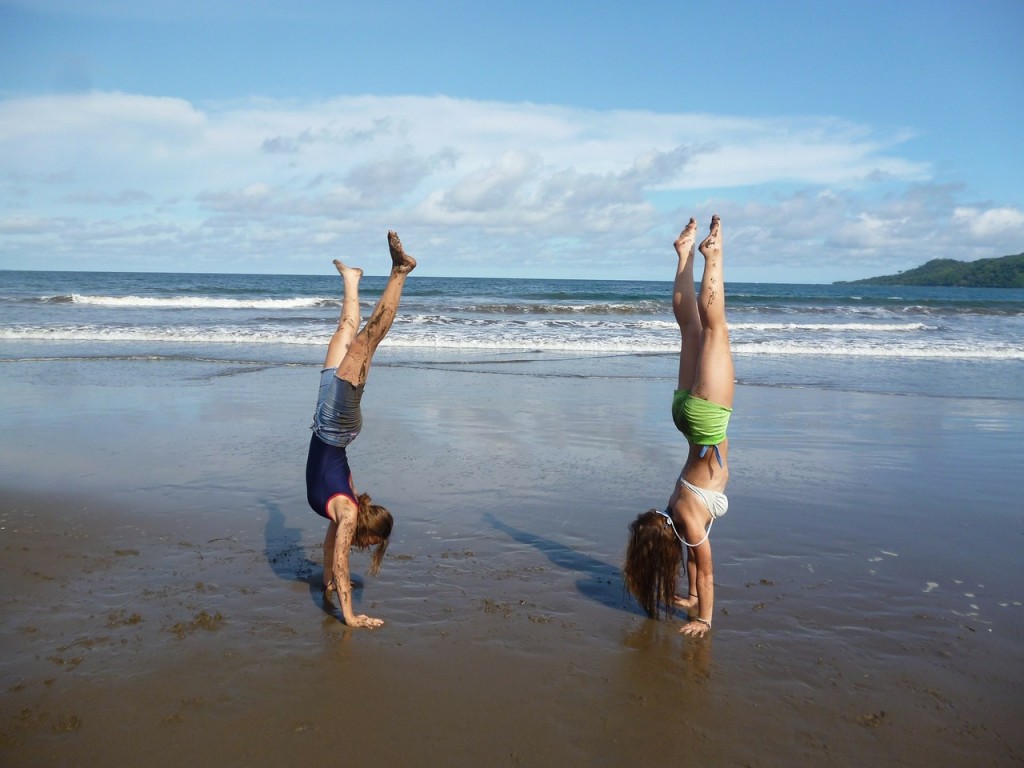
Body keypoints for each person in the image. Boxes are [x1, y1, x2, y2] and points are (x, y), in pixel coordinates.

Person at [624, 215, 734, 638]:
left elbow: (705, 573)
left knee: (714, 330)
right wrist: (689, 599)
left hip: (706, 422)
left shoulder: (687, 525)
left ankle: (712, 256)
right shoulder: (676, 516)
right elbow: (692, 563)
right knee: (691, 329)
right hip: (685, 421)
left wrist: (703, 618)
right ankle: (685, 255)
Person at [305, 230, 416, 628]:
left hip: (324, 418)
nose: (366, 549)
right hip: (335, 424)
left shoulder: (343, 515)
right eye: (373, 545)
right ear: (369, 534)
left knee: (345, 330)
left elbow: (332, 552)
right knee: (367, 340)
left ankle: (352, 279)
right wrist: (350, 617)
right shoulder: (348, 511)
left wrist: (328, 587)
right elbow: (339, 561)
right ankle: (400, 272)